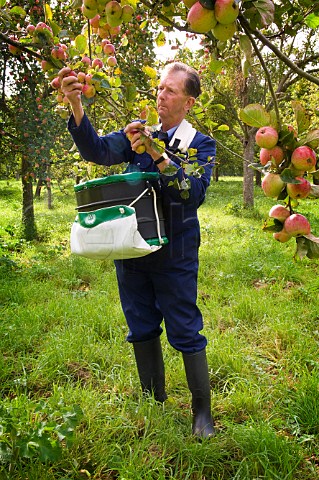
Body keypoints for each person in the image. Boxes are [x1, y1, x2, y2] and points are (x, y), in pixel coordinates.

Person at [60, 61, 216, 438]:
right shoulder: (137, 133)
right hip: (132, 246)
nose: (161, 95)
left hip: (175, 253)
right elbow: (97, 151)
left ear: (189, 102)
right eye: (160, 88)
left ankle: (202, 412)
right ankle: (153, 400)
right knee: (141, 325)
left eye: (171, 91)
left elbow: (191, 194)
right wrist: (75, 103)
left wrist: (159, 155)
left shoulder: (199, 144)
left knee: (184, 328)